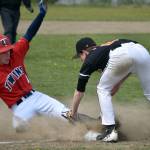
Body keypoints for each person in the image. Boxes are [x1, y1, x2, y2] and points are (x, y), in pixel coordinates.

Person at [0, 0, 72, 133]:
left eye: (8, 49)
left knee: (68, 115)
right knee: (19, 126)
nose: (7, 53)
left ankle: (101, 125)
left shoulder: (15, 52)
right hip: (20, 109)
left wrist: (41, 15)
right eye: (3, 52)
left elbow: (29, 34)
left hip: (36, 97)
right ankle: (44, 128)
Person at [69, 37, 150, 142]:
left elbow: (79, 91)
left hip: (121, 54)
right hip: (141, 51)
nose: (81, 59)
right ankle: (107, 122)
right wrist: (118, 83)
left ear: (83, 52)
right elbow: (129, 63)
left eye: (80, 56)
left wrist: (74, 113)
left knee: (102, 89)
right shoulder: (103, 51)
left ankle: (110, 131)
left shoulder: (90, 59)